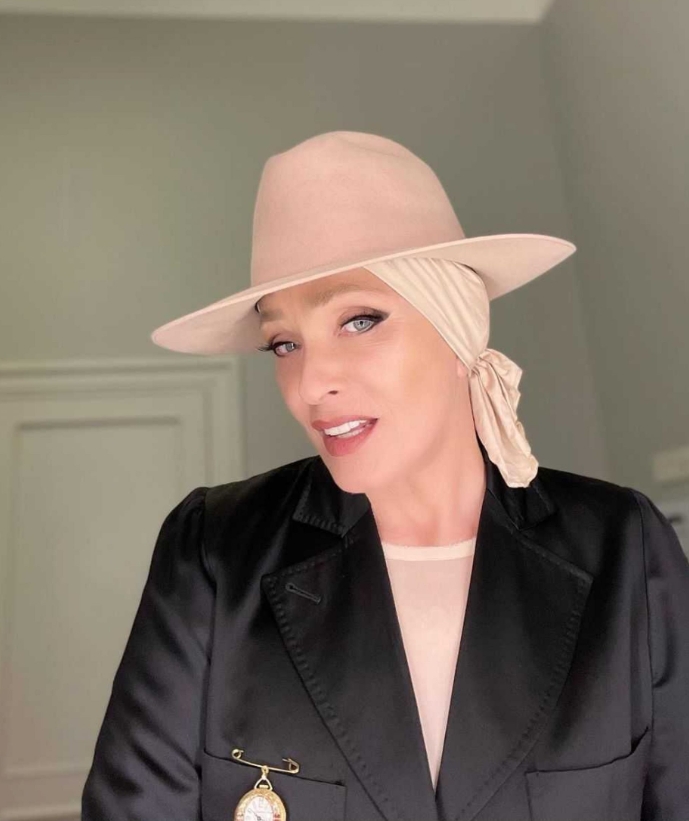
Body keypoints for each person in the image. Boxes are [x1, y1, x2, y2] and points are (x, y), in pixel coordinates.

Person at [82, 131, 689, 821]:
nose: (309, 383)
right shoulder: (214, 551)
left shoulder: (622, 546)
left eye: (360, 320)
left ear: (458, 328)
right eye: (284, 343)